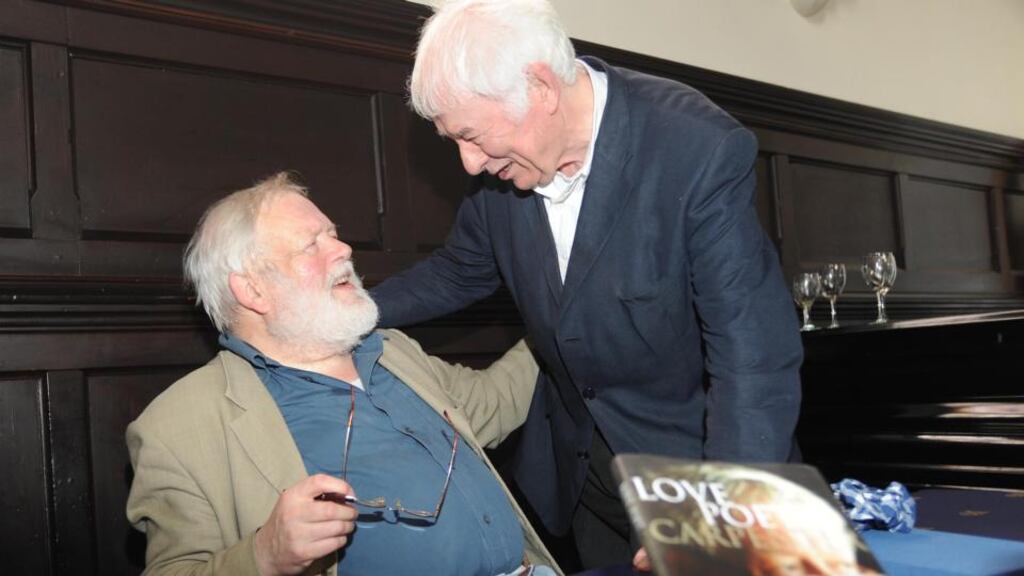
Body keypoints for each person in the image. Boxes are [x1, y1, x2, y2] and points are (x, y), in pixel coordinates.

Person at [369, 0, 804, 569]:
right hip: (584, 479)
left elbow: (753, 354)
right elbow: (459, 270)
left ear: (541, 88)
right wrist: (355, 311)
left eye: (471, 136)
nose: (469, 165)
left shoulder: (695, 149)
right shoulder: (507, 170)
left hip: (697, 468)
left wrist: (717, 516)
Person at [125, 172, 561, 576]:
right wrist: (264, 555)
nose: (344, 249)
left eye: (333, 234)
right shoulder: (178, 428)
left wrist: (561, 312)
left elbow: (495, 401)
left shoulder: (391, 351)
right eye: (311, 244)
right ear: (253, 289)